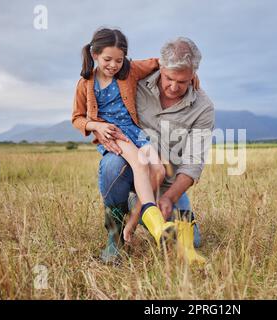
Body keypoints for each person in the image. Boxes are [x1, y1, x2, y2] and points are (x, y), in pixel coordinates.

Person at [94, 37, 214, 265]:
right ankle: (116, 235)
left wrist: (170, 197)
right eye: (169, 78)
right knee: (112, 165)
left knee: (191, 242)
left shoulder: (203, 107)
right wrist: (97, 127)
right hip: (131, 171)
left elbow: (192, 163)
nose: (174, 87)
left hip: (166, 184)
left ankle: (144, 211)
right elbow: (104, 79)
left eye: (183, 81)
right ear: (161, 66)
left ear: (193, 75)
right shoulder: (134, 83)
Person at [71, 28, 176, 262]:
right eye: (108, 59)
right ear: (94, 54)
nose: (113, 65)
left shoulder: (129, 70)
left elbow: (159, 63)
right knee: (141, 165)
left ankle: (133, 221)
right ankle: (155, 224)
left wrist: (187, 74)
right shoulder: (85, 83)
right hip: (113, 134)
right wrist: (96, 127)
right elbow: (77, 118)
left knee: (158, 169)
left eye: (119, 60)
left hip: (135, 132)